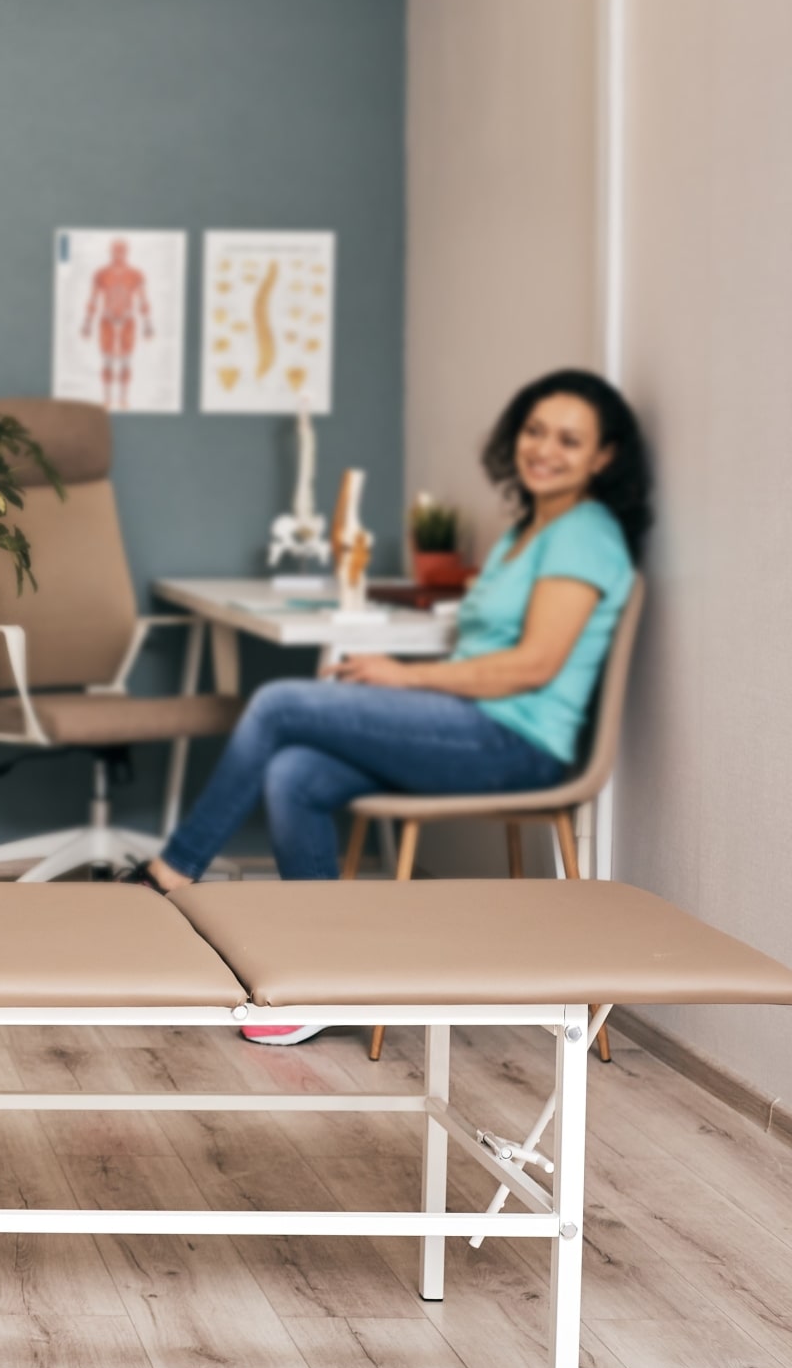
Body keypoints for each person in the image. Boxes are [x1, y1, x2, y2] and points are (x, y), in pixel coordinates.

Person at [139, 370, 651, 1044]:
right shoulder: (527, 531)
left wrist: (402, 678)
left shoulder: (583, 534)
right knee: (295, 771)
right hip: (476, 728)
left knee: (278, 703)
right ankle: (325, 973)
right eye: (534, 430)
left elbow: (533, 665)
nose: (543, 448)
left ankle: (169, 876)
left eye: (568, 438)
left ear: (603, 457)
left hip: (515, 743)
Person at [80, 238, 153, 409]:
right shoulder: (101, 273)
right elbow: (93, 298)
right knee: (107, 360)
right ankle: (106, 399)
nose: (119, 253)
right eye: (116, 250)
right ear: (111, 251)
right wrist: (87, 323)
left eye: (122, 250)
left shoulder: (135, 274)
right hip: (107, 320)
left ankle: (123, 399)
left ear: (126, 251)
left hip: (127, 320)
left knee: (126, 360)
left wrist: (148, 323)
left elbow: (143, 299)